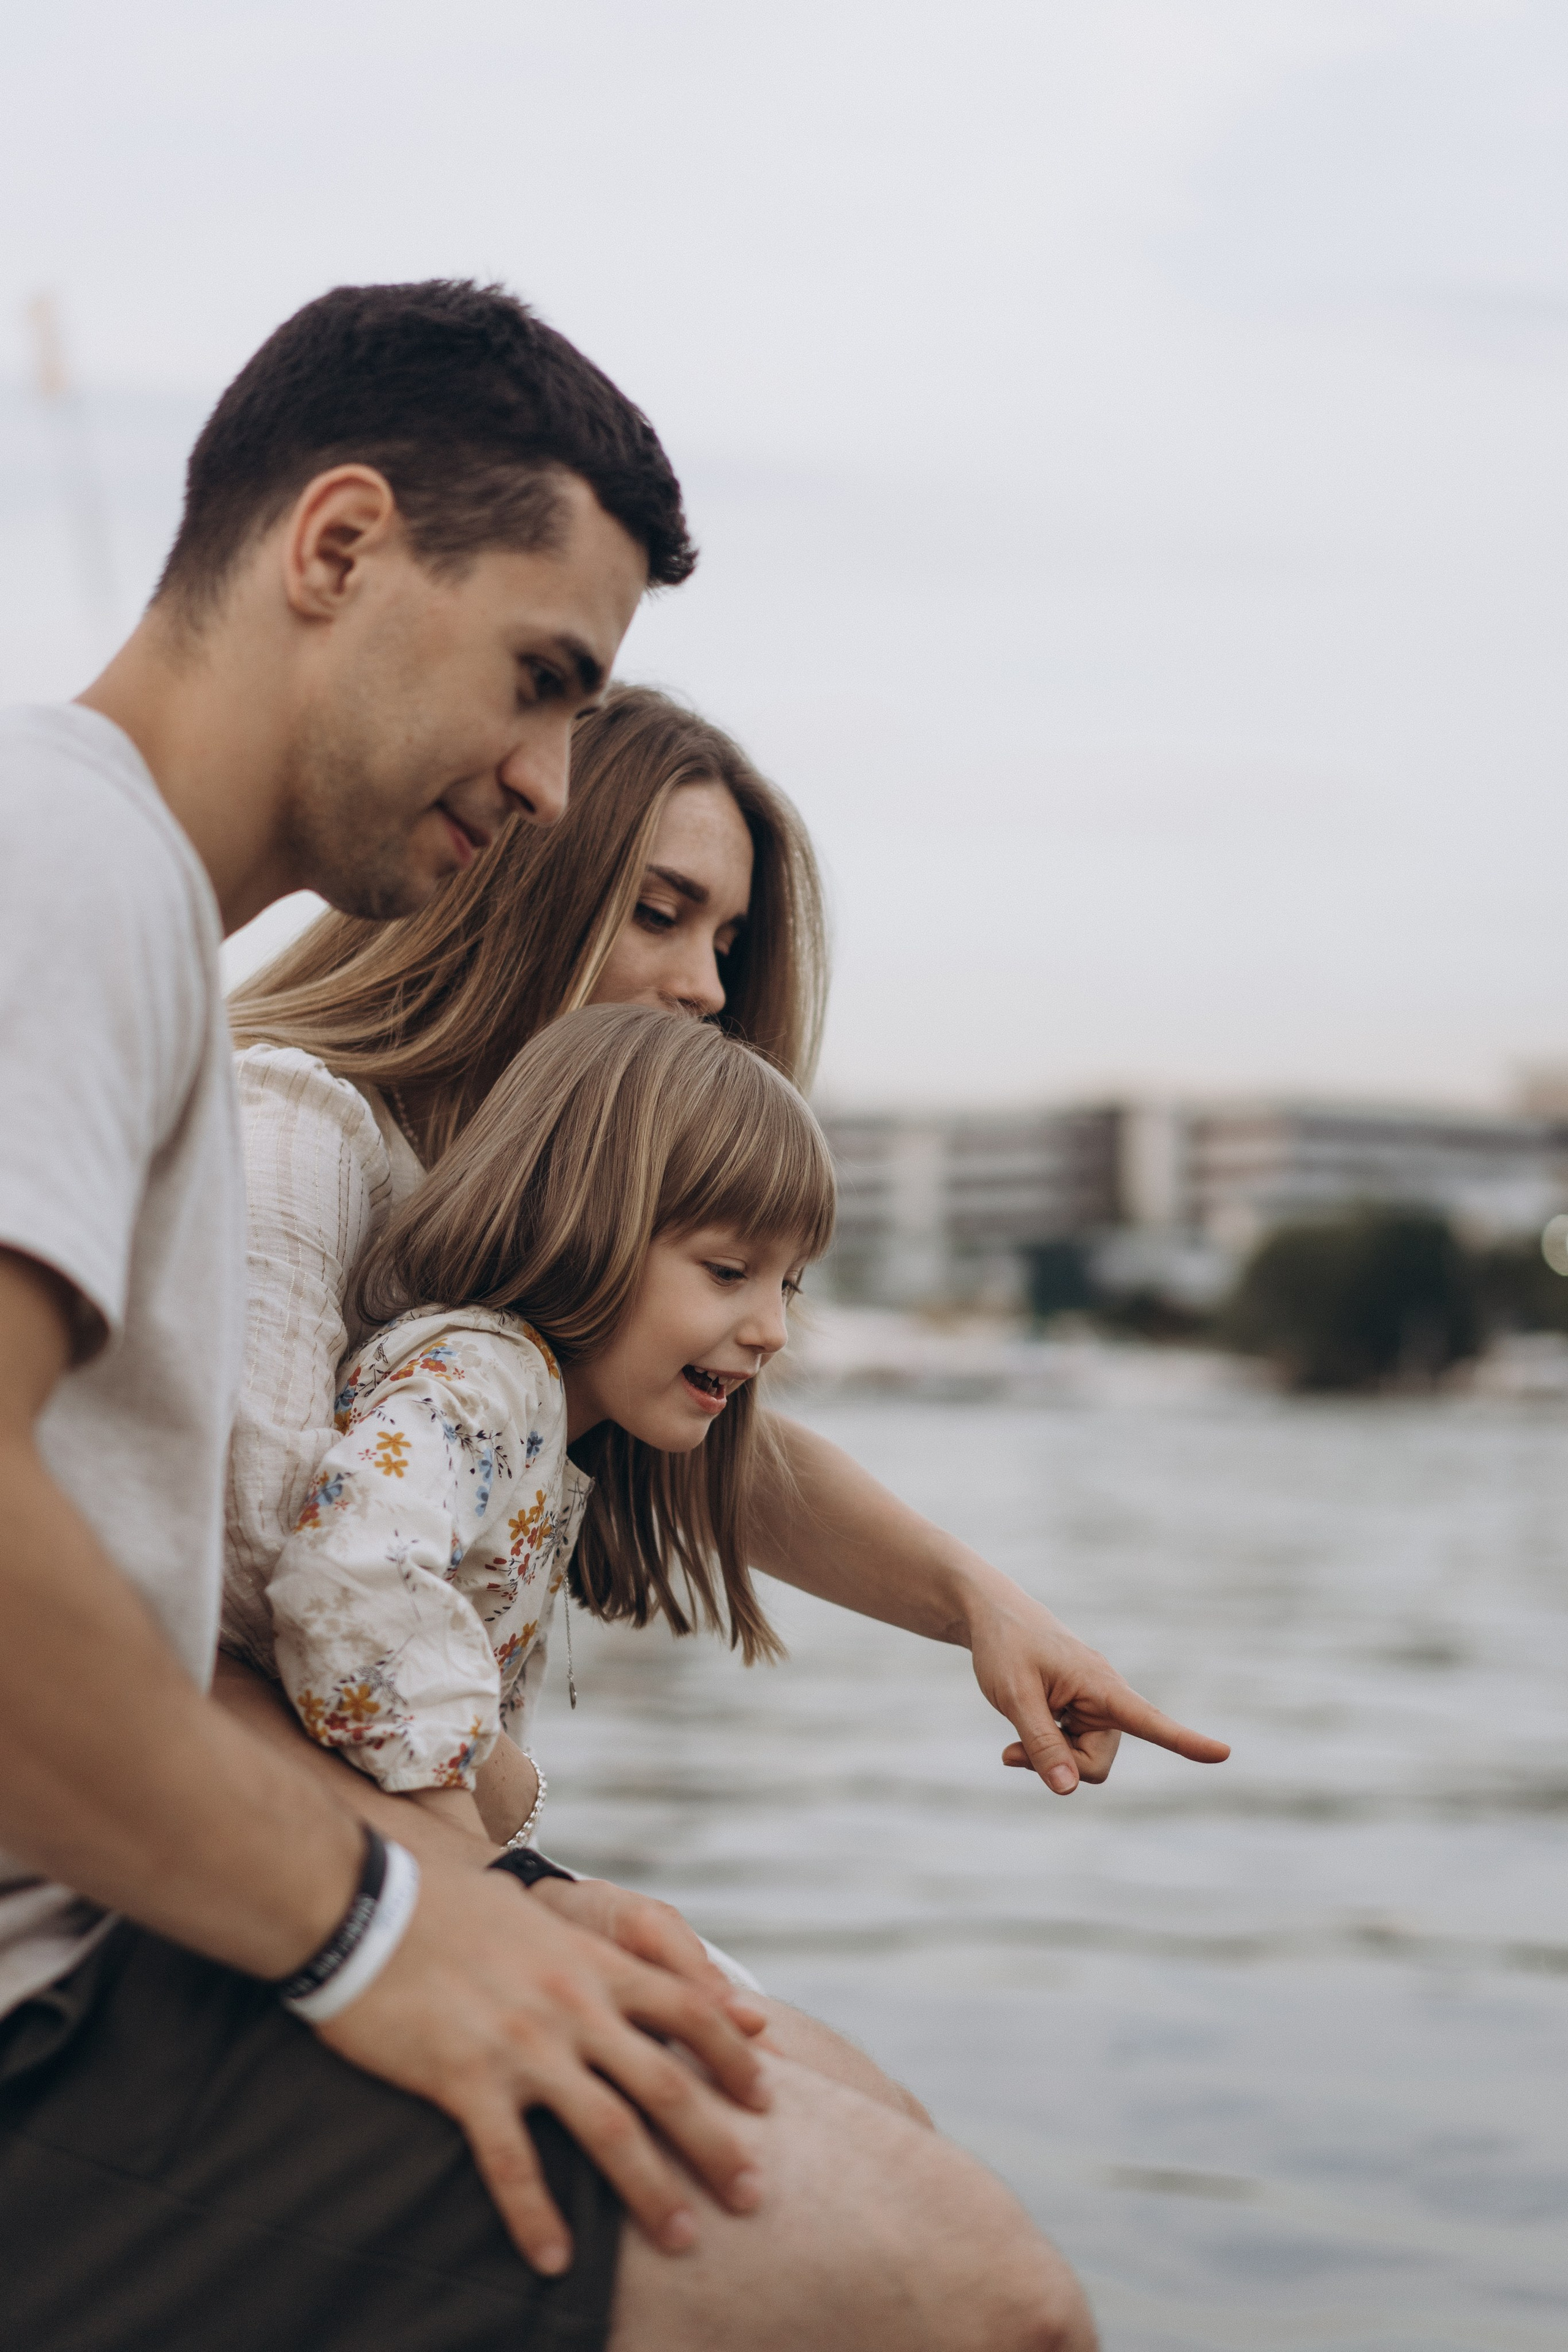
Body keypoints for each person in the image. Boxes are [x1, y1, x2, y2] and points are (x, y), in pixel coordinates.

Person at [0, 277, 1098, 2352]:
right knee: (975, 2302)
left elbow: (712, 1432)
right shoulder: (75, 866)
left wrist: (967, 1595)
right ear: (334, 548)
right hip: (62, 2002)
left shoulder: (133, 919)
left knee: (901, 2163)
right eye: (541, 679)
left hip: (130, 1942)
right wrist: (394, 1933)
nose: (543, 774)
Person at [225, 683, 1230, 1867]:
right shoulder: (295, 1129)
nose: (709, 988)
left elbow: (718, 1428)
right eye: (660, 913)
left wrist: (982, 1610)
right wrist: (505, 1812)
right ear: (505, 895)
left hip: (369, 1832)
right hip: (259, 1854)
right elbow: (257, 1572)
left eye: (730, 943)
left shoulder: (520, 1248)